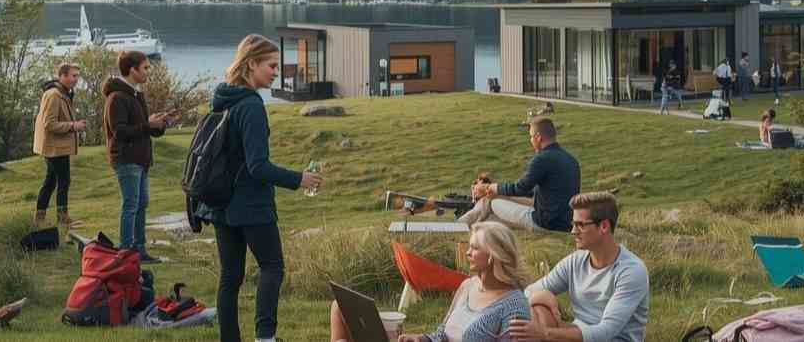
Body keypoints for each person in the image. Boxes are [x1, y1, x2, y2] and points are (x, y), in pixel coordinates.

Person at [194, 34, 322, 342]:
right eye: (272, 65)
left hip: (220, 202)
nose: (277, 71)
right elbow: (258, 166)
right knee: (272, 268)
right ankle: (266, 337)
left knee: (230, 276)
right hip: (250, 204)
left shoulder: (224, 99)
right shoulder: (250, 105)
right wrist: (298, 178)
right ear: (251, 64)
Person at [331, 221, 531, 342]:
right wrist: (421, 339)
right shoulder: (467, 286)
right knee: (338, 308)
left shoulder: (513, 305)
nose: (468, 252)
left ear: (493, 256)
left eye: (475, 248)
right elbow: (442, 334)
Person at [508, 192, 649, 342]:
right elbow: (528, 291)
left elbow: (606, 331)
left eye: (580, 225)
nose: (573, 231)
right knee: (539, 310)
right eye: (573, 224)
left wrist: (545, 333)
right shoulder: (576, 261)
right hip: (579, 334)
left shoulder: (631, 271)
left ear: (604, 226)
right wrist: (542, 296)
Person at [104, 50, 175, 264]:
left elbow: (143, 129)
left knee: (141, 203)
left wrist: (159, 124)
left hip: (141, 158)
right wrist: (148, 124)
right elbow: (120, 131)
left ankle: (139, 250)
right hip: (126, 158)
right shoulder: (117, 97)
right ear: (132, 70)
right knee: (131, 204)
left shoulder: (135, 94)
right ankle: (126, 252)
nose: (148, 72)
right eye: (145, 68)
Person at [461, 118, 581, 233]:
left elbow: (520, 188)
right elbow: (530, 192)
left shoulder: (542, 159)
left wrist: (490, 187)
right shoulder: (571, 160)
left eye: (531, 137)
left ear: (538, 137)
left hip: (546, 223)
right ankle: (458, 226)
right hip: (565, 223)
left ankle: (455, 227)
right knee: (494, 197)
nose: (531, 141)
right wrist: (496, 189)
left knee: (491, 202)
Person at [33, 62, 88, 230]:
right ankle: (62, 219)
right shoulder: (54, 95)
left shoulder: (63, 93)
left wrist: (74, 125)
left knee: (51, 181)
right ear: (62, 76)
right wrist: (73, 126)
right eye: (73, 76)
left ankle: (41, 218)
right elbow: (49, 124)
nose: (76, 80)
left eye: (77, 76)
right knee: (62, 181)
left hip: (57, 147)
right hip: (54, 148)